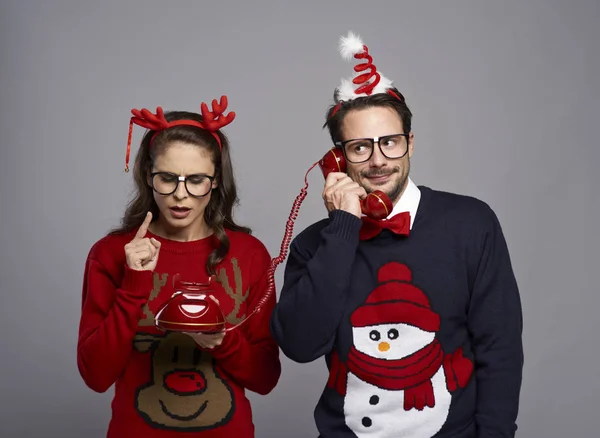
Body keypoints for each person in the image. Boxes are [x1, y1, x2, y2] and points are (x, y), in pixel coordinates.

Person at [270, 31, 524, 438]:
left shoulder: (471, 223)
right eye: (359, 148)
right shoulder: (315, 245)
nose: (377, 161)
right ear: (337, 157)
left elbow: (500, 347)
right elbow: (300, 347)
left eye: (389, 142)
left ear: (410, 144)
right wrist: (343, 230)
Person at [77, 95, 281, 437]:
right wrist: (133, 286)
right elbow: (95, 376)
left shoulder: (249, 255)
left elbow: (266, 378)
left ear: (215, 180)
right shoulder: (111, 253)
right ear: (147, 174)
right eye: (167, 178)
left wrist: (222, 342)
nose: (180, 195)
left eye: (196, 179)